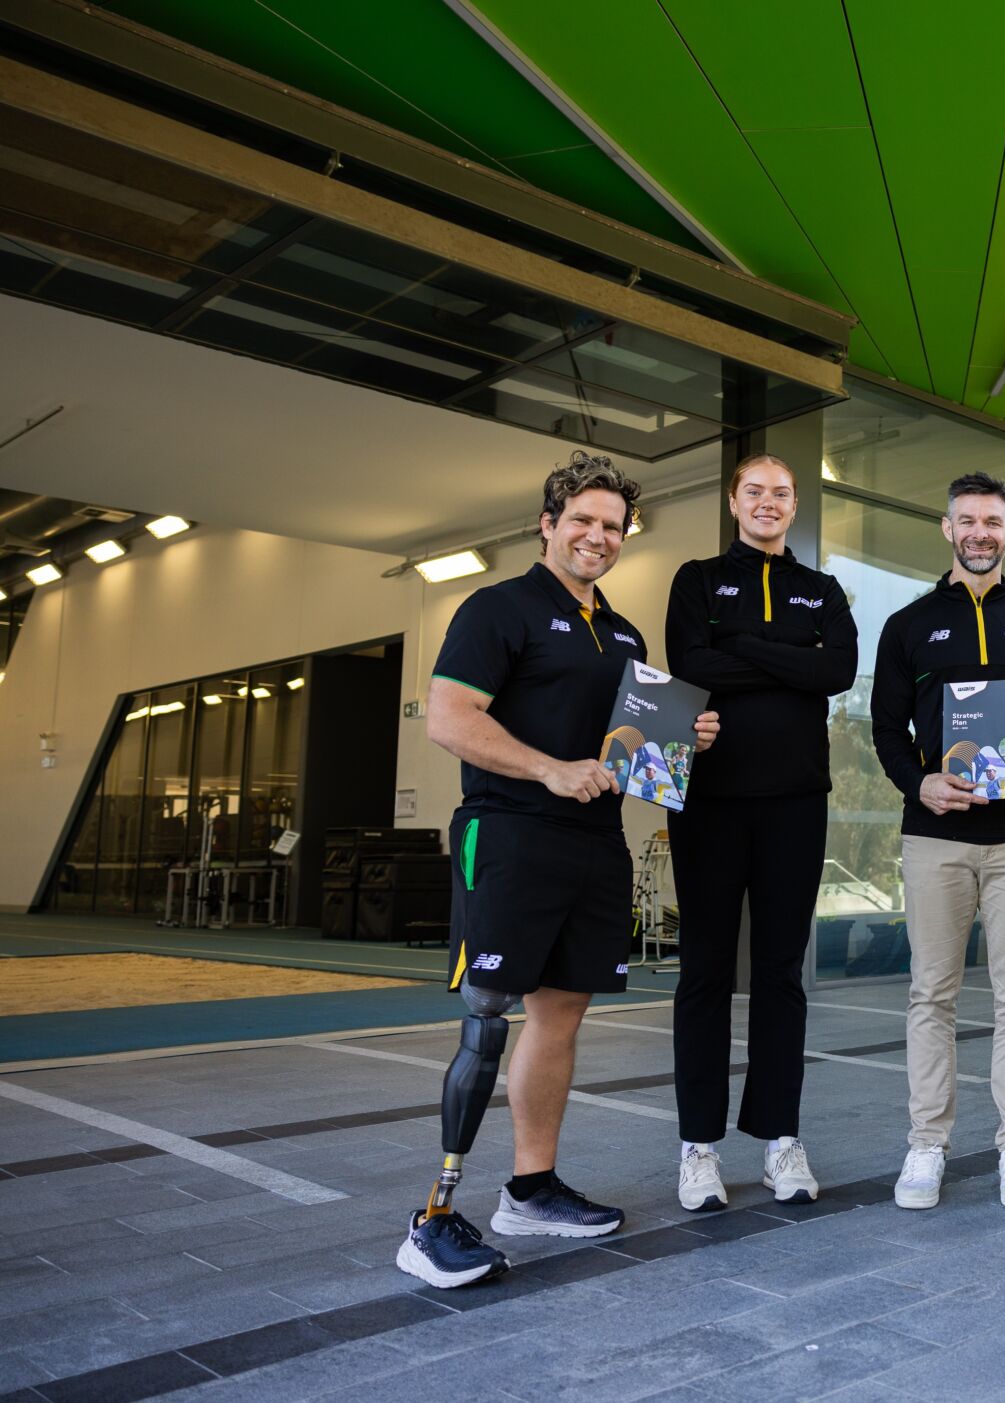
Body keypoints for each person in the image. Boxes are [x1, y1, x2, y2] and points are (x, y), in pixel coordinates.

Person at [399, 451, 719, 1288]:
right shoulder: (498, 608)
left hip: (594, 840)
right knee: (488, 1013)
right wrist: (548, 769)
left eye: (612, 526)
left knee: (561, 1015)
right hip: (511, 832)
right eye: (582, 520)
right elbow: (449, 717)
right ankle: (433, 1215)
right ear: (548, 524)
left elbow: (623, 748)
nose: (597, 536)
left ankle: (530, 1189)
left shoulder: (624, 633)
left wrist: (681, 739)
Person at [871, 471, 1005, 1211]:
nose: (979, 533)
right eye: (967, 520)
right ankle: (927, 1143)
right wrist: (918, 783)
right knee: (932, 993)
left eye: (992, 521)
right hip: (937, 835)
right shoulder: (908, 624)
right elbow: (886, 730)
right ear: (948, 528)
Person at [664, 453, 858, 1212]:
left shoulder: (823, 589)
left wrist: (738, 647)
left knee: (780, 974)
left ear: (794, 504)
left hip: (795, 801)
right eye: (755, 491)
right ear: (734, 500)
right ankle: (698, 1147)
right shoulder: (696, 579)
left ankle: (780, 1138)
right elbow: (690, 662)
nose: (767, 502)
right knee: (705, 971)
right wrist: (791, 660)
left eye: (780, 492)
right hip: (708, 801)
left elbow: (837, 672)